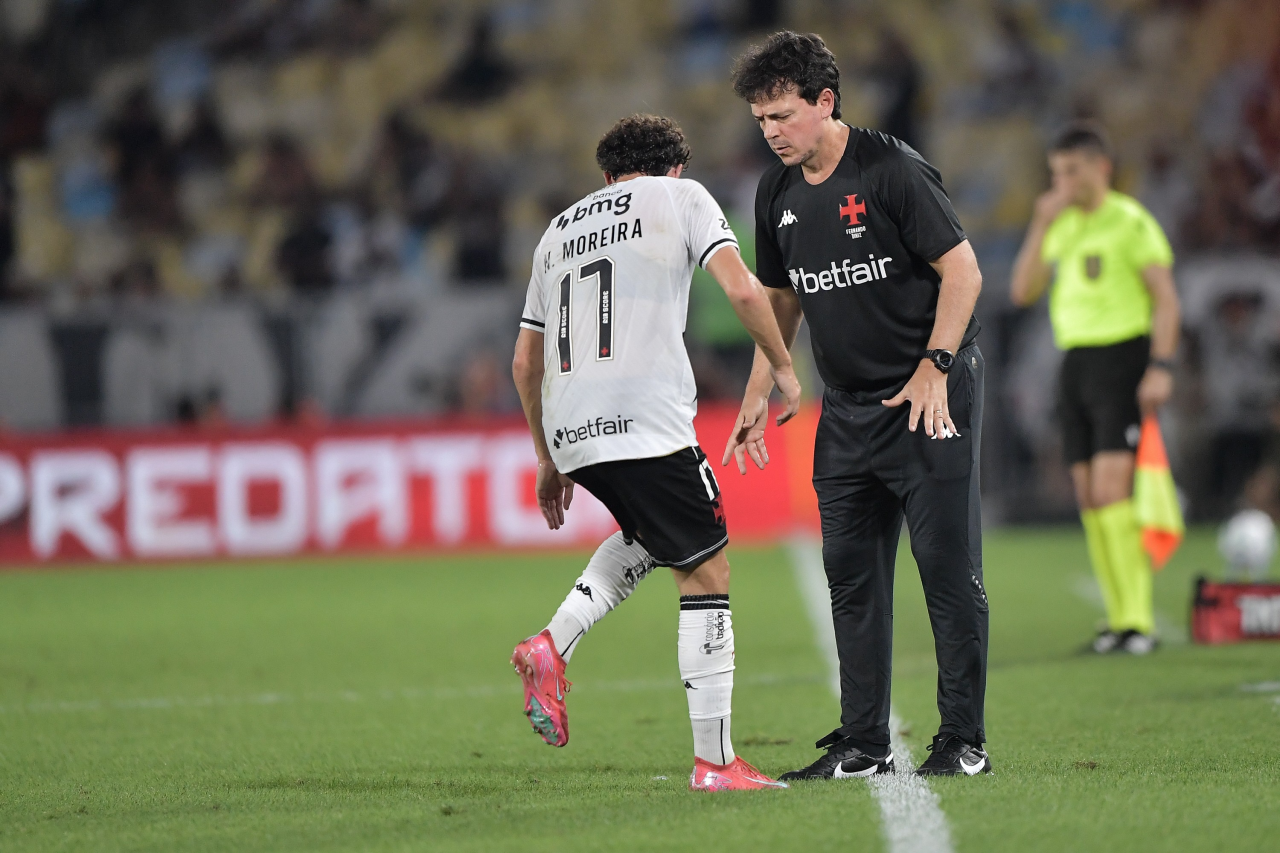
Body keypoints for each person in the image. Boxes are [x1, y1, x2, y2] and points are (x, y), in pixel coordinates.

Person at [725, 31, 990, 779]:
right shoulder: (774, 192)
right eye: (761, 119)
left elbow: (963, 273)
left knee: (947, 570)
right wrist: (761, 384)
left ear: (825, 102)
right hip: (845, 412)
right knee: (850, 576)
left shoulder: (892, 169)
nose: (771, 131)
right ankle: (863, 744)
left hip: (928, 399)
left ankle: (963, 741)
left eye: (782, 114)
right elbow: (779, 298)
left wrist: (937, 366)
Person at [510, 114, 802, 792]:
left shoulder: (557, 231)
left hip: (574, 428)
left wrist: (548, 456)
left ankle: (551, 644)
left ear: (608, 174)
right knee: (708, 570)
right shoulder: (684, 197)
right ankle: (716, 762)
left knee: (648, 536)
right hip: (646, 419)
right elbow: (740, 288)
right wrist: (783, 367)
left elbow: (526, 360)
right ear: (674, 168)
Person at [1010, 121, 1180, 655]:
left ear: (1101, 168)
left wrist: (1161, 365)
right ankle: (1116, 621)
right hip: (1076, 363)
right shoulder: (1062, 225)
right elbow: (1022, 290)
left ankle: (1139, 622)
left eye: (1072, 170)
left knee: (1112, 490)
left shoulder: (1130, 222)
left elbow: (1167, 300)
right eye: (1056, 172)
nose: (1063, 182)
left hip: (1122, 359)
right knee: (1087, 495)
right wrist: (1039, 225)